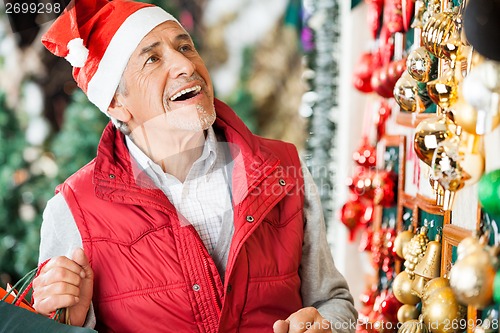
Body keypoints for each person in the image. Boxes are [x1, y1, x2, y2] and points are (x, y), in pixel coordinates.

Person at [32, 0, 357, 332]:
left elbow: (334, 302)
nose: (185, 65)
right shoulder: (72, 211)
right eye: (153, 59)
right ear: (116, 103)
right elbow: (54, 325)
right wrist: (70, 322)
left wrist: (327, 325)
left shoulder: (284, 170)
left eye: (185, 46)